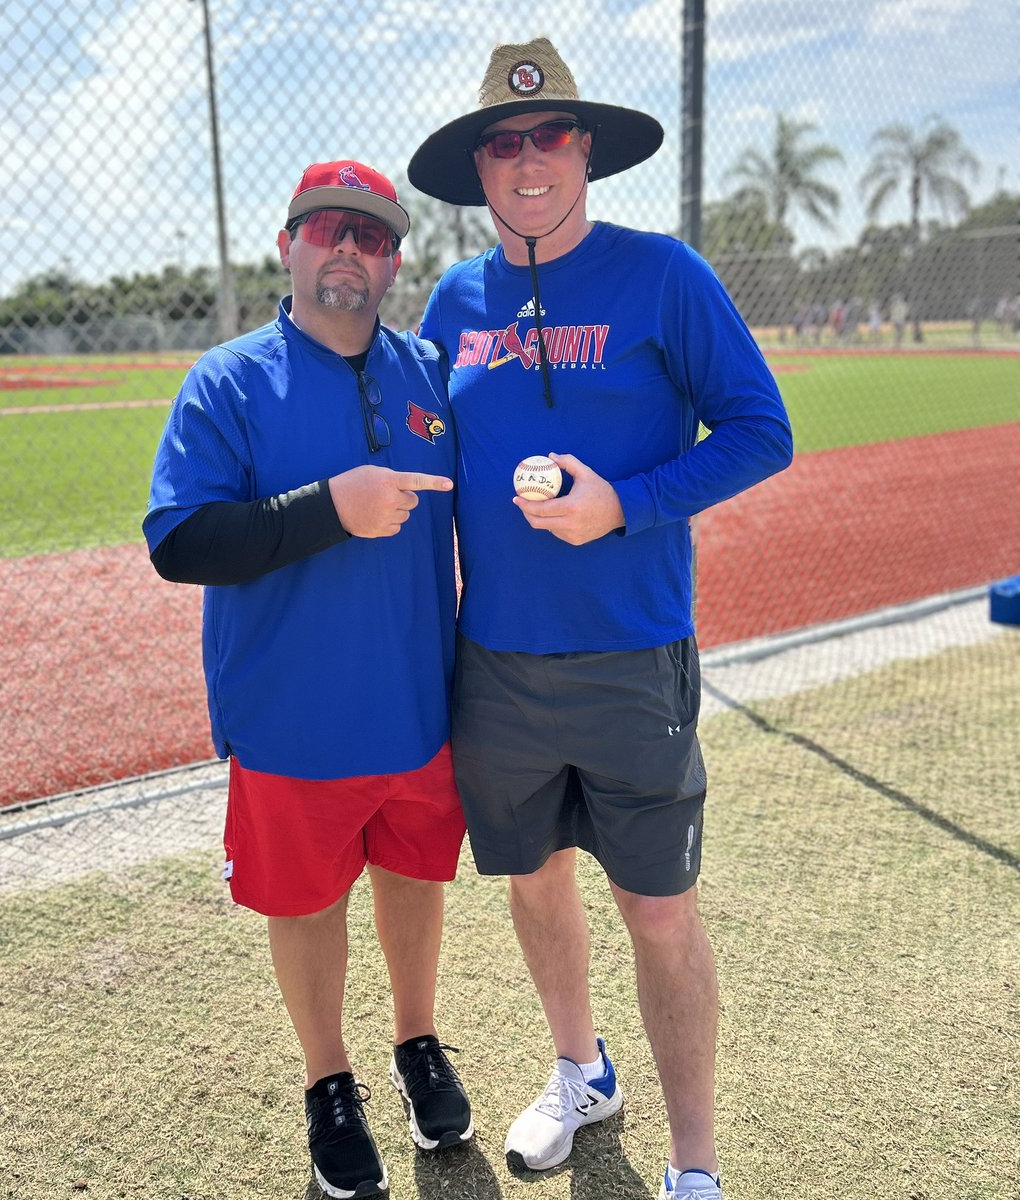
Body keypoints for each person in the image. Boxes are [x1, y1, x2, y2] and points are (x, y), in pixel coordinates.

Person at [407, 38, 793, 1200]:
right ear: (481, 168)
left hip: (632, 658)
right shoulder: (452, 301)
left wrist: (627, 504)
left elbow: (759, 431)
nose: (528, 159)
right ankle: (582, 1072)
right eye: (504, 142)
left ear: (586, 152)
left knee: (660, 911)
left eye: (550, 135)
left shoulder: (665, 274)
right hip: (499, 667)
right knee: (533, 883)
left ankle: (692, 1169)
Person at [144, 160, 473, 1199]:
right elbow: (180, 540)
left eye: (371, 236)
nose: (348, 250)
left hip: (421, 711)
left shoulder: (427, 373)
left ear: (394, 262)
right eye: (327, 229)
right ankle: (328, 1080)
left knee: (416, 880)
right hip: (292, 721)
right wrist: (329, 505)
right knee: (309, 900)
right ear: (288, 245)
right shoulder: (229, 380)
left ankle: (417, 1043)